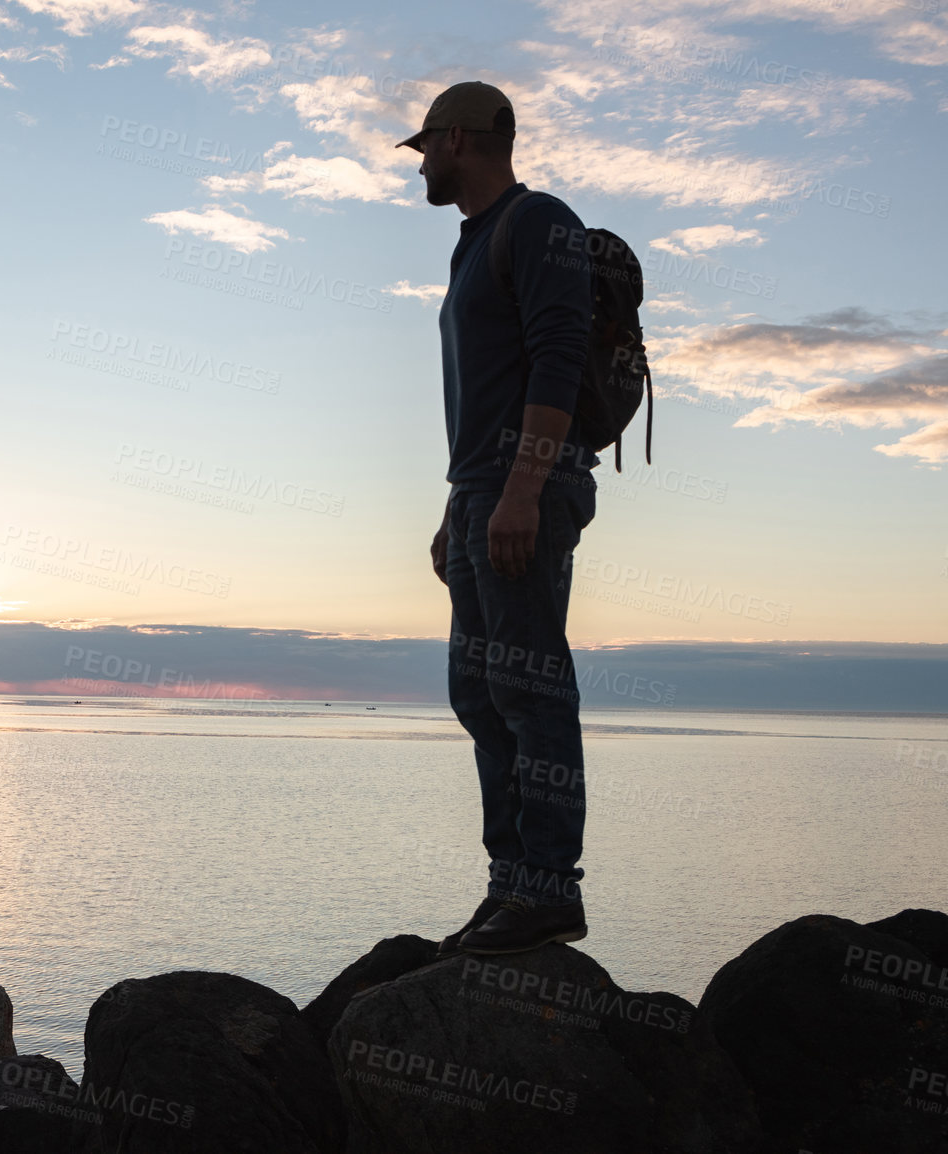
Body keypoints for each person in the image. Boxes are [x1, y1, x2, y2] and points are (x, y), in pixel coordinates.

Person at [399, 82, 598, 955]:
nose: (420, 162)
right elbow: (485, 390)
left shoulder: (537, 221)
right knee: (479, 691)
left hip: (529, 487)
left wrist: (522, 489)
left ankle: (550, 886)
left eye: (427, 146)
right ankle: (510, 882)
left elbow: (558, 362)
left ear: (462, 139)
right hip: (480, 489)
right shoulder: (469, 245)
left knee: (528, 683)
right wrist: (460, 505)